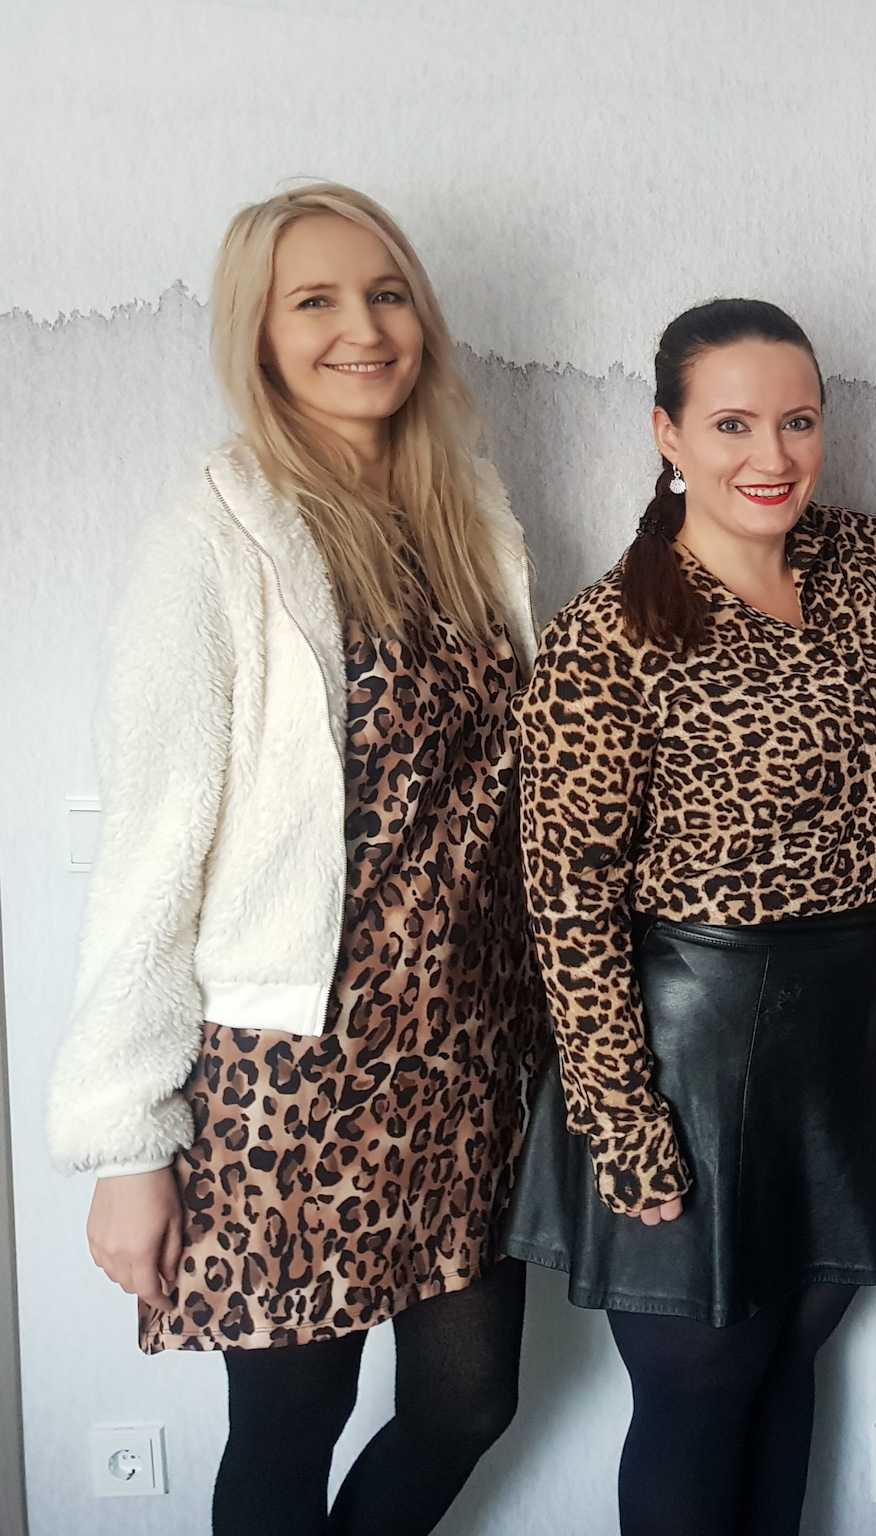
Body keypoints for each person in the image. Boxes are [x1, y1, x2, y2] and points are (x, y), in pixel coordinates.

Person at [47, 182, 540, 1535]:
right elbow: (155, 848)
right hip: (292, 1071)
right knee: (287, 1429)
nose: (361, 330)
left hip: (463, 1057)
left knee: (468, 1403)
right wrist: (127, 1143)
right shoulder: (211, 539)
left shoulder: (467, 520)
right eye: (313, 301)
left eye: (385, 294)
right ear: (257, 335)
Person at [504, 298, 876, 1536]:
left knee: (790, 1355)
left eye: (797, 422)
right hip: (689, 1050)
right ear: (668, 434)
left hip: (847, 1031)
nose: (772, 456)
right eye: (733, 424)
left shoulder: (859, 564)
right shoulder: (611, 634)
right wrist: (624, 1124)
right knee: (699, 1386)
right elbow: (568, 906)